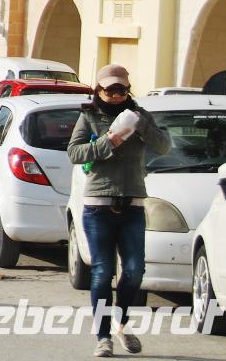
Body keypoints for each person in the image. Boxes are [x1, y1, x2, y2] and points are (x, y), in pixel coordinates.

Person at [68, 64, 171, 358]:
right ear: (98, 90)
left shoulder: (140, 116)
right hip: (98, 206)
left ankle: (121, 325)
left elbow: (164, 146)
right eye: (109, 90)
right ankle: (103, 338)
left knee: (135, 270)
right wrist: (107, 142)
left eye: (120, 90)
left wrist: (142, 127)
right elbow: (74, 153)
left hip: (133, 204)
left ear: (128, 90)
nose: (115, 95)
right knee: (102, 273)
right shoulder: (88, 117)